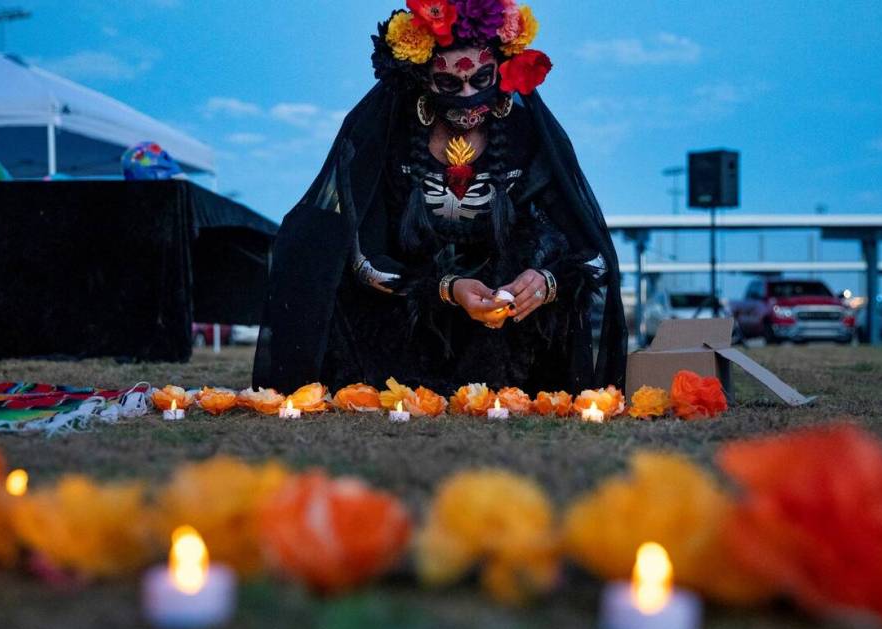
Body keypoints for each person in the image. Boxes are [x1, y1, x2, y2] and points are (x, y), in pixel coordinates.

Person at [252, 0, 626, 396]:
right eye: (449, 84)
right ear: (420, 79)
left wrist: (544, 282)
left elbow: (594, 254)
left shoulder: (526, 136)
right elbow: (362, 259)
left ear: (500, 71)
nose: (467, 96)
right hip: (405, 313)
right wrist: (447, 289)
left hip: (505, 320)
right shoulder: (386, 134)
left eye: (480, 79)